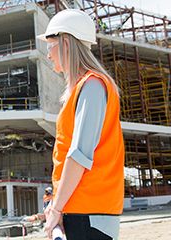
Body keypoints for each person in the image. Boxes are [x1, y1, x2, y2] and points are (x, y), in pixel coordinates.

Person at [37, 9, 125, 240]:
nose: (48, 55)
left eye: (50, 46)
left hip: (90, 213)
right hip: (81, 210)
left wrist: (56, 208)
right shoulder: (82, 88)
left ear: (66, 42)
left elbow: (79, 155)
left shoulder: (93, 85)